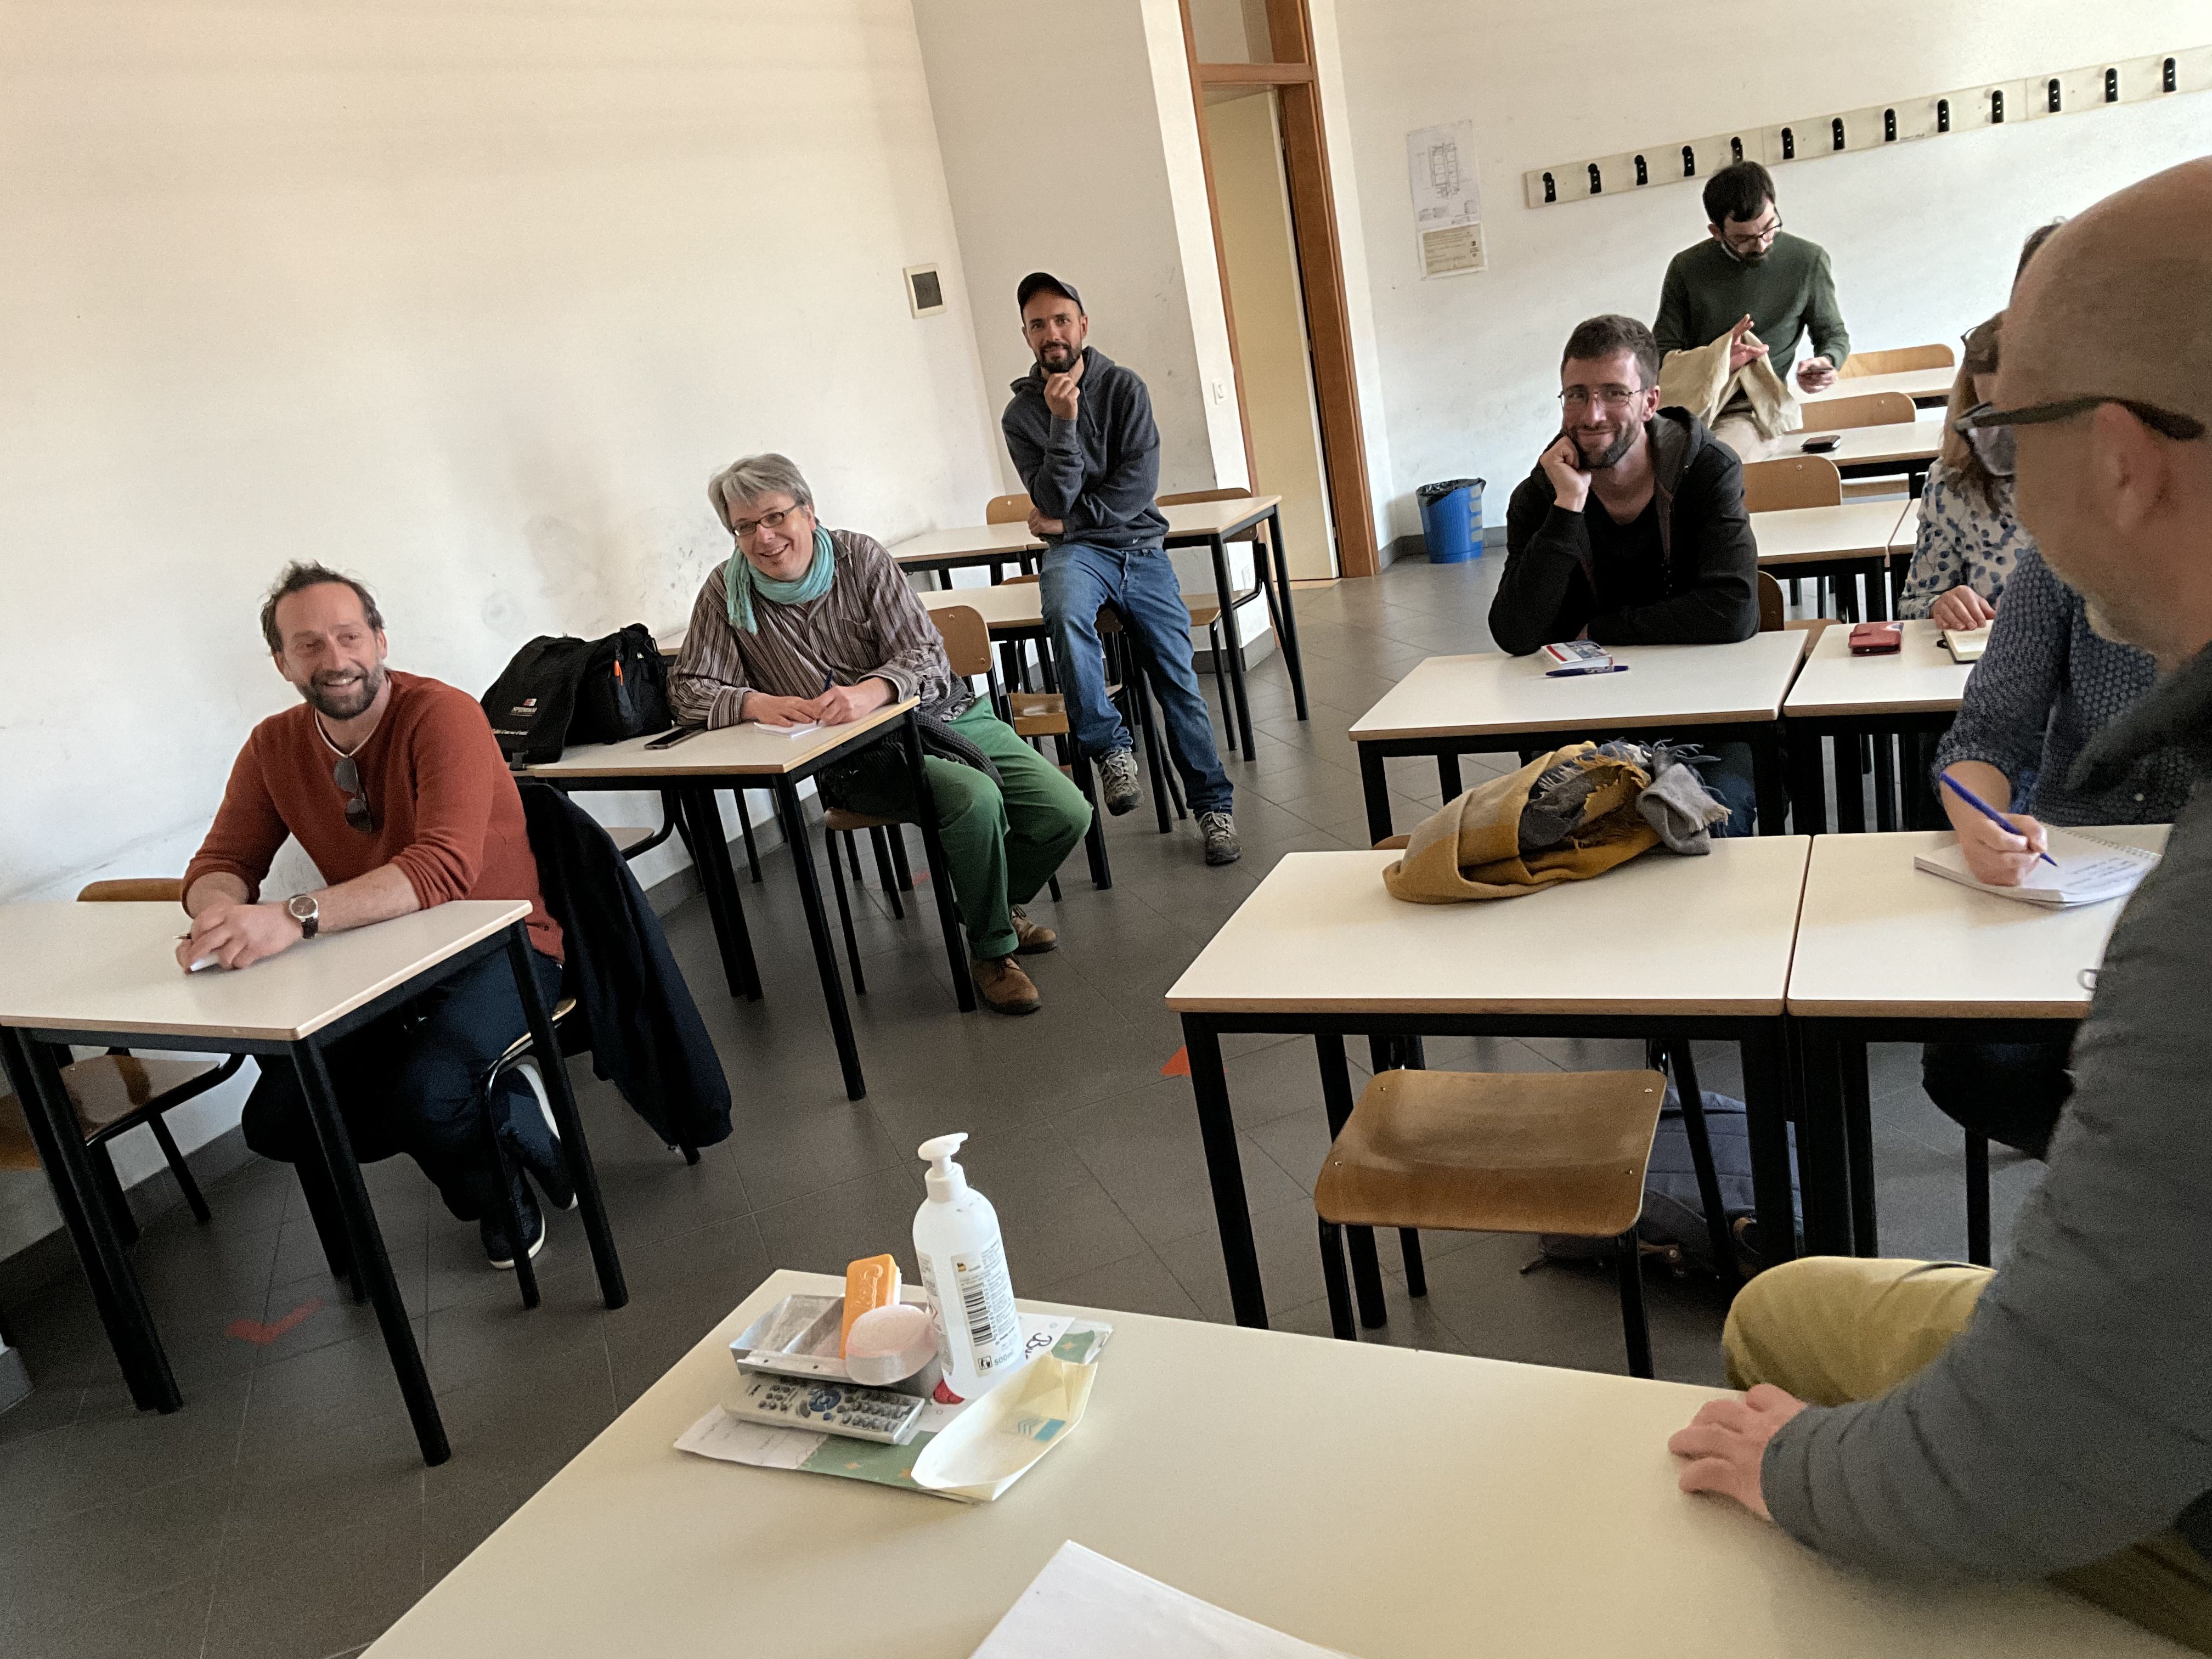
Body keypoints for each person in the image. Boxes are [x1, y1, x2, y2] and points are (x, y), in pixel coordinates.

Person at [1668, 157, 2212, 1654]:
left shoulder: (2192, 932)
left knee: (1778, 1345)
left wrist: (1797, 1469)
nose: (1993, 460)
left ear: (2121, 458)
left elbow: (2043, 1450)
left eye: (2013, 429)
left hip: (2130, 1445)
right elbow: (1988, 728)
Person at [182, 563, 571, 1268]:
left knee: (427, 1096)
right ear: (281, 662)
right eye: (308, 645)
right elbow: (223, 859)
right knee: (280, 1119)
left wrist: (293, 917)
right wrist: (216, 913)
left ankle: (496, 1188)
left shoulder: (442, 714)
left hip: (506, 949)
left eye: (349, 636)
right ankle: (502, 1108)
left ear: (381, 641)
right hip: (379, 963)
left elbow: (442, 867)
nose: (334, 659)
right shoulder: (273, 745)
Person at [670, 453, 1091, 1017]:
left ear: (808, 512)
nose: (763, 538)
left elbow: (927, 654)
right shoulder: (728, 589)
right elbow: (688, 687)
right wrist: (756, 702)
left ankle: (986, 902)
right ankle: (993, 950)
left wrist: (872, 691)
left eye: (774, 517)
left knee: (1065, 811)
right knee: (974, 798)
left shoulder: (860, 557)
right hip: (855, 754)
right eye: (744, 527)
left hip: (944, 715)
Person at [1000, 272, 1240, 866]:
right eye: (1038, 324)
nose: (1052, 333)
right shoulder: (1021, 415)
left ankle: (1214, 808)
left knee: (1177, 679)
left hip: (1140, 549)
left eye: (1062, 320)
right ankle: (1110, 747)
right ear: (1026, 335)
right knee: (1063, 610)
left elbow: (1137, 489)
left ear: (1082, 325)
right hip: (1078, 556)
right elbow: (1050, 499)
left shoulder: (1125, 388)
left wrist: (1068, 523)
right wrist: (1062, 422)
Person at [1490, 313, 1762, 832]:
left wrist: (1601, 629)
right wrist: (1568, 508)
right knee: (1556, 832)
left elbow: (1733, 610)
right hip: (1580, 724)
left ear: (1650, 401)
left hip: (1705, 716)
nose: (1592, 414)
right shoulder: (1540, 496)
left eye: (1614, 394)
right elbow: (1516, 632)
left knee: (1709, 822)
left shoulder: (1707, 470)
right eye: (1576, 395)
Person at [1654, 161, 1850, 459]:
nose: (1760, 245)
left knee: (1712, 463)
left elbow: (1833, 335)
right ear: (1716, 232)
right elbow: (1660, 354)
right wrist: (1720, 359)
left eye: (1770, 228)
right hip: (1689, 405)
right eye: (1743, 239)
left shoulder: (1807, 261)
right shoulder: (1686, 268)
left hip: (1754, 410)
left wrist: (1826, 362)